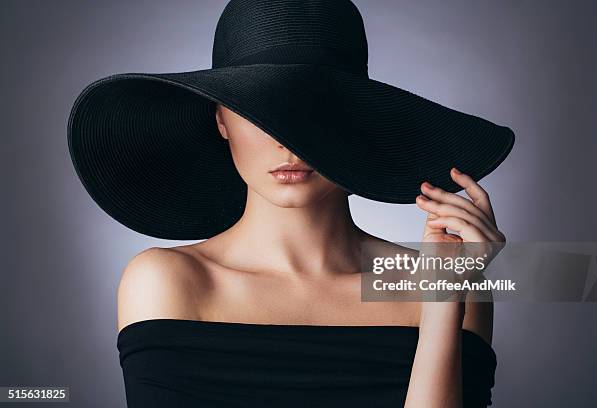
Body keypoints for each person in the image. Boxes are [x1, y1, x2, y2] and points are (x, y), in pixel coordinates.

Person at [68, 1, 514, 406]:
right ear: (221, 120)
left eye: (312, 107)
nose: (287, 142)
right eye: (258, 109)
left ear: (357, 118)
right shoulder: (169, 281)